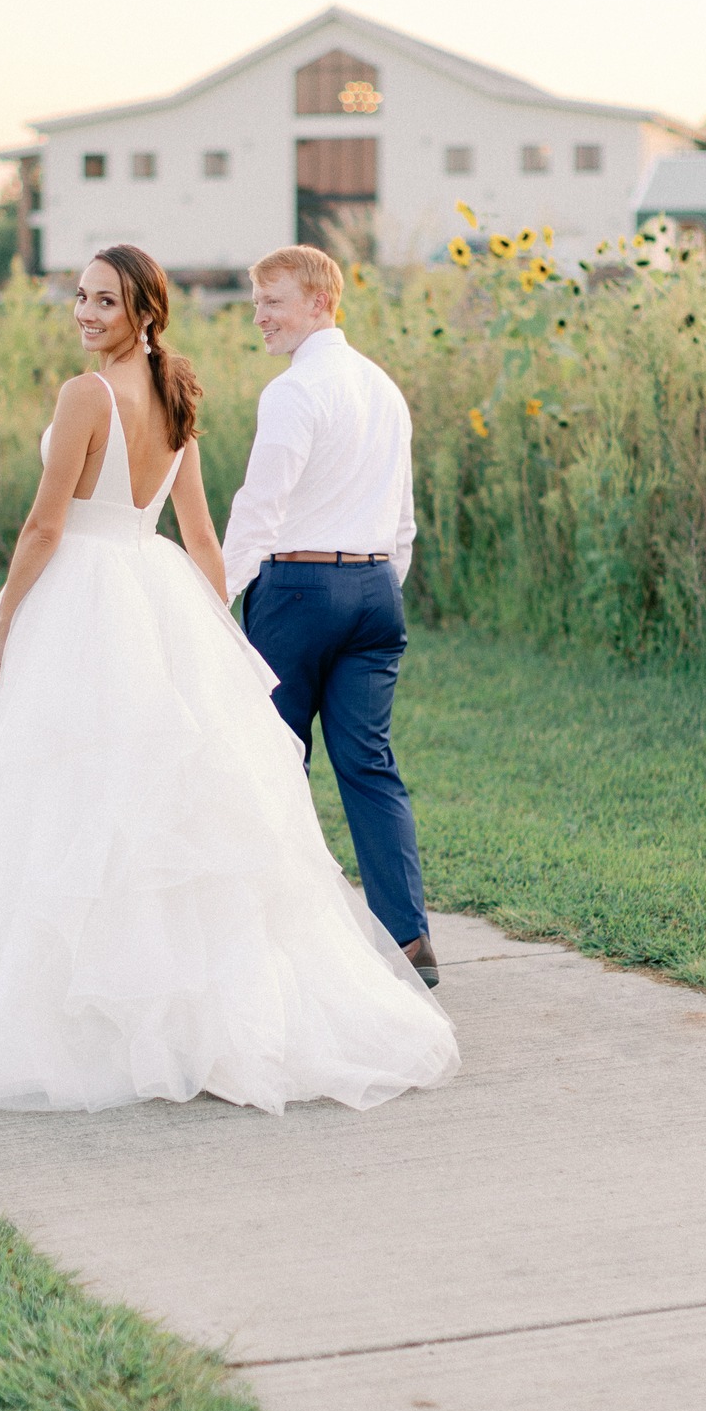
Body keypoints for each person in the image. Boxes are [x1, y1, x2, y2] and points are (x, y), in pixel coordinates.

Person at [0, 244, 457, 1115]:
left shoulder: (86, 395)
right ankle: (154, 1009)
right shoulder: (178, 398)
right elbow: (201, 541)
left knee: (60, 798)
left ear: (144, 311)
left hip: (85, 599)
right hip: (158, 593)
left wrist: (4, 626)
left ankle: (72, 1020)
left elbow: (43, 526)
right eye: (80, 297)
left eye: (105, 300)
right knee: (145, 802)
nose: (85, 313)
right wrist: (213, 632)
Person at [223, 245, 439, 986]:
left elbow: (260, 506)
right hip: (377, 591)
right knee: (369, 764)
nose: (261, 317)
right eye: (256, 303)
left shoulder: (294, 391)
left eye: (274, 302)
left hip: (298, 594)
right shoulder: (383, 387)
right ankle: (410, 940)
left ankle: (275, 942)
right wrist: (380, 583)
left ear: (320, 301)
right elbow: (403, 516)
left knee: (273, 764)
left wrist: (216, 596)